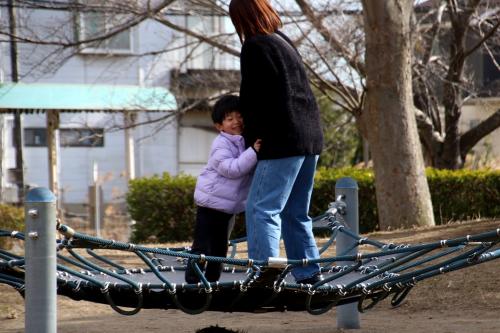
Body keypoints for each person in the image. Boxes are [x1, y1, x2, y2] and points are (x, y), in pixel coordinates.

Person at [229, 0, 324, 284]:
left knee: (262, 208)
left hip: (281, 140)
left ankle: (263, 275)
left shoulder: (255, 46)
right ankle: (309, 274)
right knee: (296, 213)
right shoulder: (283, 41)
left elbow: (254, 100)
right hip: (309, 138)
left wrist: (251, 140)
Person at [185, 95, 261, 284]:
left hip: (228, 207)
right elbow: (231, 169)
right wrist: (253, 152)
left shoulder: (243, 140)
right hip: (210, 203)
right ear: (219, 126)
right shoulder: (221, 143)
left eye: (239, 116)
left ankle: (213, 282)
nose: (236, 122)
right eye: (230, 119)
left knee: (220, 248)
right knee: (202, 246)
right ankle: (192, 282)